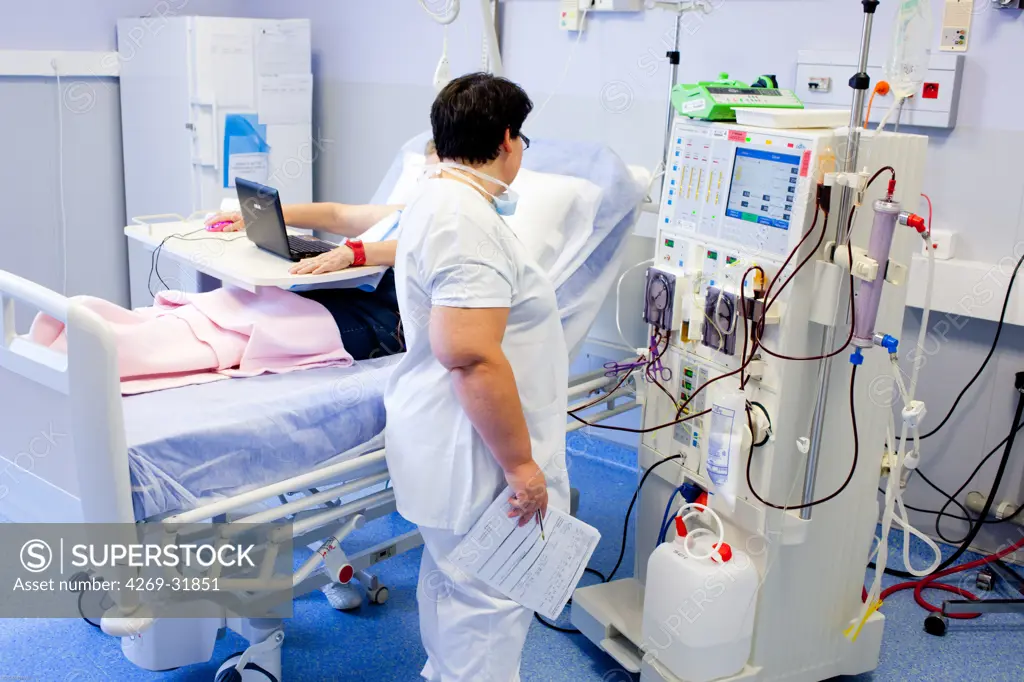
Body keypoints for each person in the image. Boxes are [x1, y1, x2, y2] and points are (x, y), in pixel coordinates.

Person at [383, 73, 569, 681]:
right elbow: (469, 354)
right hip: (478, 454)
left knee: (450, 583)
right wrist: (523, 467)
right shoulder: (468, 222)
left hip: (444, 440)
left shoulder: (436, 198)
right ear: (509, 140)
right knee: (491, 604)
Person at [203, 141, 441, 361]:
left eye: (437, 178)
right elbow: (336, 215)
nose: (427, 185)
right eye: (425, 175)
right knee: (226, 308)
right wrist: (258, 214)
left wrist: (354, 253)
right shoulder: (406, 213)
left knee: (256, 331)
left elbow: (421, 246)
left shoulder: (461, 229)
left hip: (383, 317)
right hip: (346, 294)